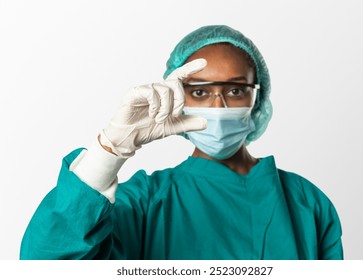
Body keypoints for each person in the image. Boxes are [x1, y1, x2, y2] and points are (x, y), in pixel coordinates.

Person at [20, 25, 343, 260]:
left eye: (235, 91)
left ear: (257, 100)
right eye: (200, 92)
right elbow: (45, 262)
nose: (219, 107)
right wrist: (109, 150)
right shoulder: (145, 201)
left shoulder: (307, 204)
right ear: (178, 99)